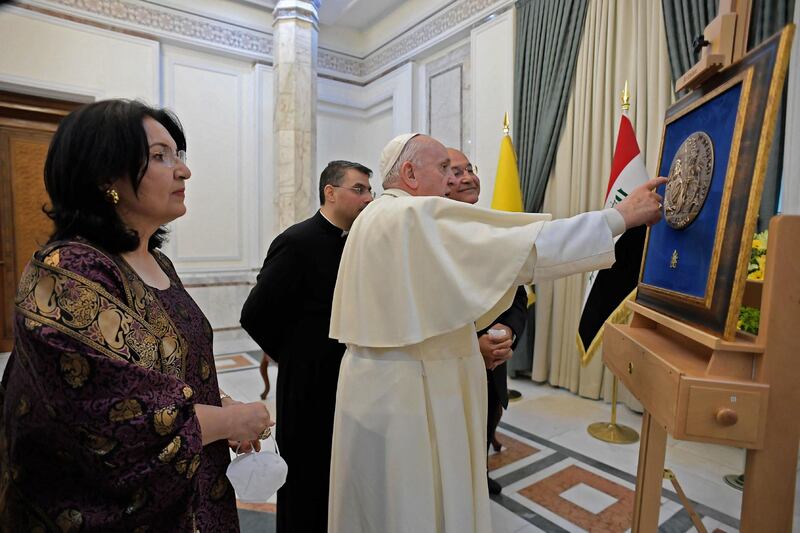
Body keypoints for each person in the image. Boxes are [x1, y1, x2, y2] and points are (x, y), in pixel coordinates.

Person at [327, 133, 665, 532]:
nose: (452, 180)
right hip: (413, 392)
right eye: (444, 170)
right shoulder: (413, 215)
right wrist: (620, 217)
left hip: (373, 387)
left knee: (380, 504)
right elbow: (529, 247)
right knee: (417, 503)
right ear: (409, 173)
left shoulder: (373, 217)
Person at [0, 99, 272, 532]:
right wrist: (226, 421)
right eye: (160, 156)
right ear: (106, 175)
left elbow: (169, 372)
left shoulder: (158, 262)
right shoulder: (71, 273)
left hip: (195, 494)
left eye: (178, 155)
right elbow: (107, 416)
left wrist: (218, 406)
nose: (183, 170)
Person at [240, 160, 373, 533]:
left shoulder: (358, 244)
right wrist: (295, 357)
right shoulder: (297, 241)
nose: (368, 198)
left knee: (341, 474)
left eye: (369, 190)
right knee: (305, 479)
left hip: (349, 379)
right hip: (308, 384)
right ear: (330, 192)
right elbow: (254, 314)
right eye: (359, 189)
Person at [447, 147, 527, 496]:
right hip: (449, 365)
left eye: (470, 169)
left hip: (492, 359)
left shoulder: (494, 229)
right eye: (456, 171)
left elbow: (518, 295)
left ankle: (478, 473)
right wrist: (470, 344)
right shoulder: (428, 233)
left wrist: (507, 330)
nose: (468, 177)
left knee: (488, 417)